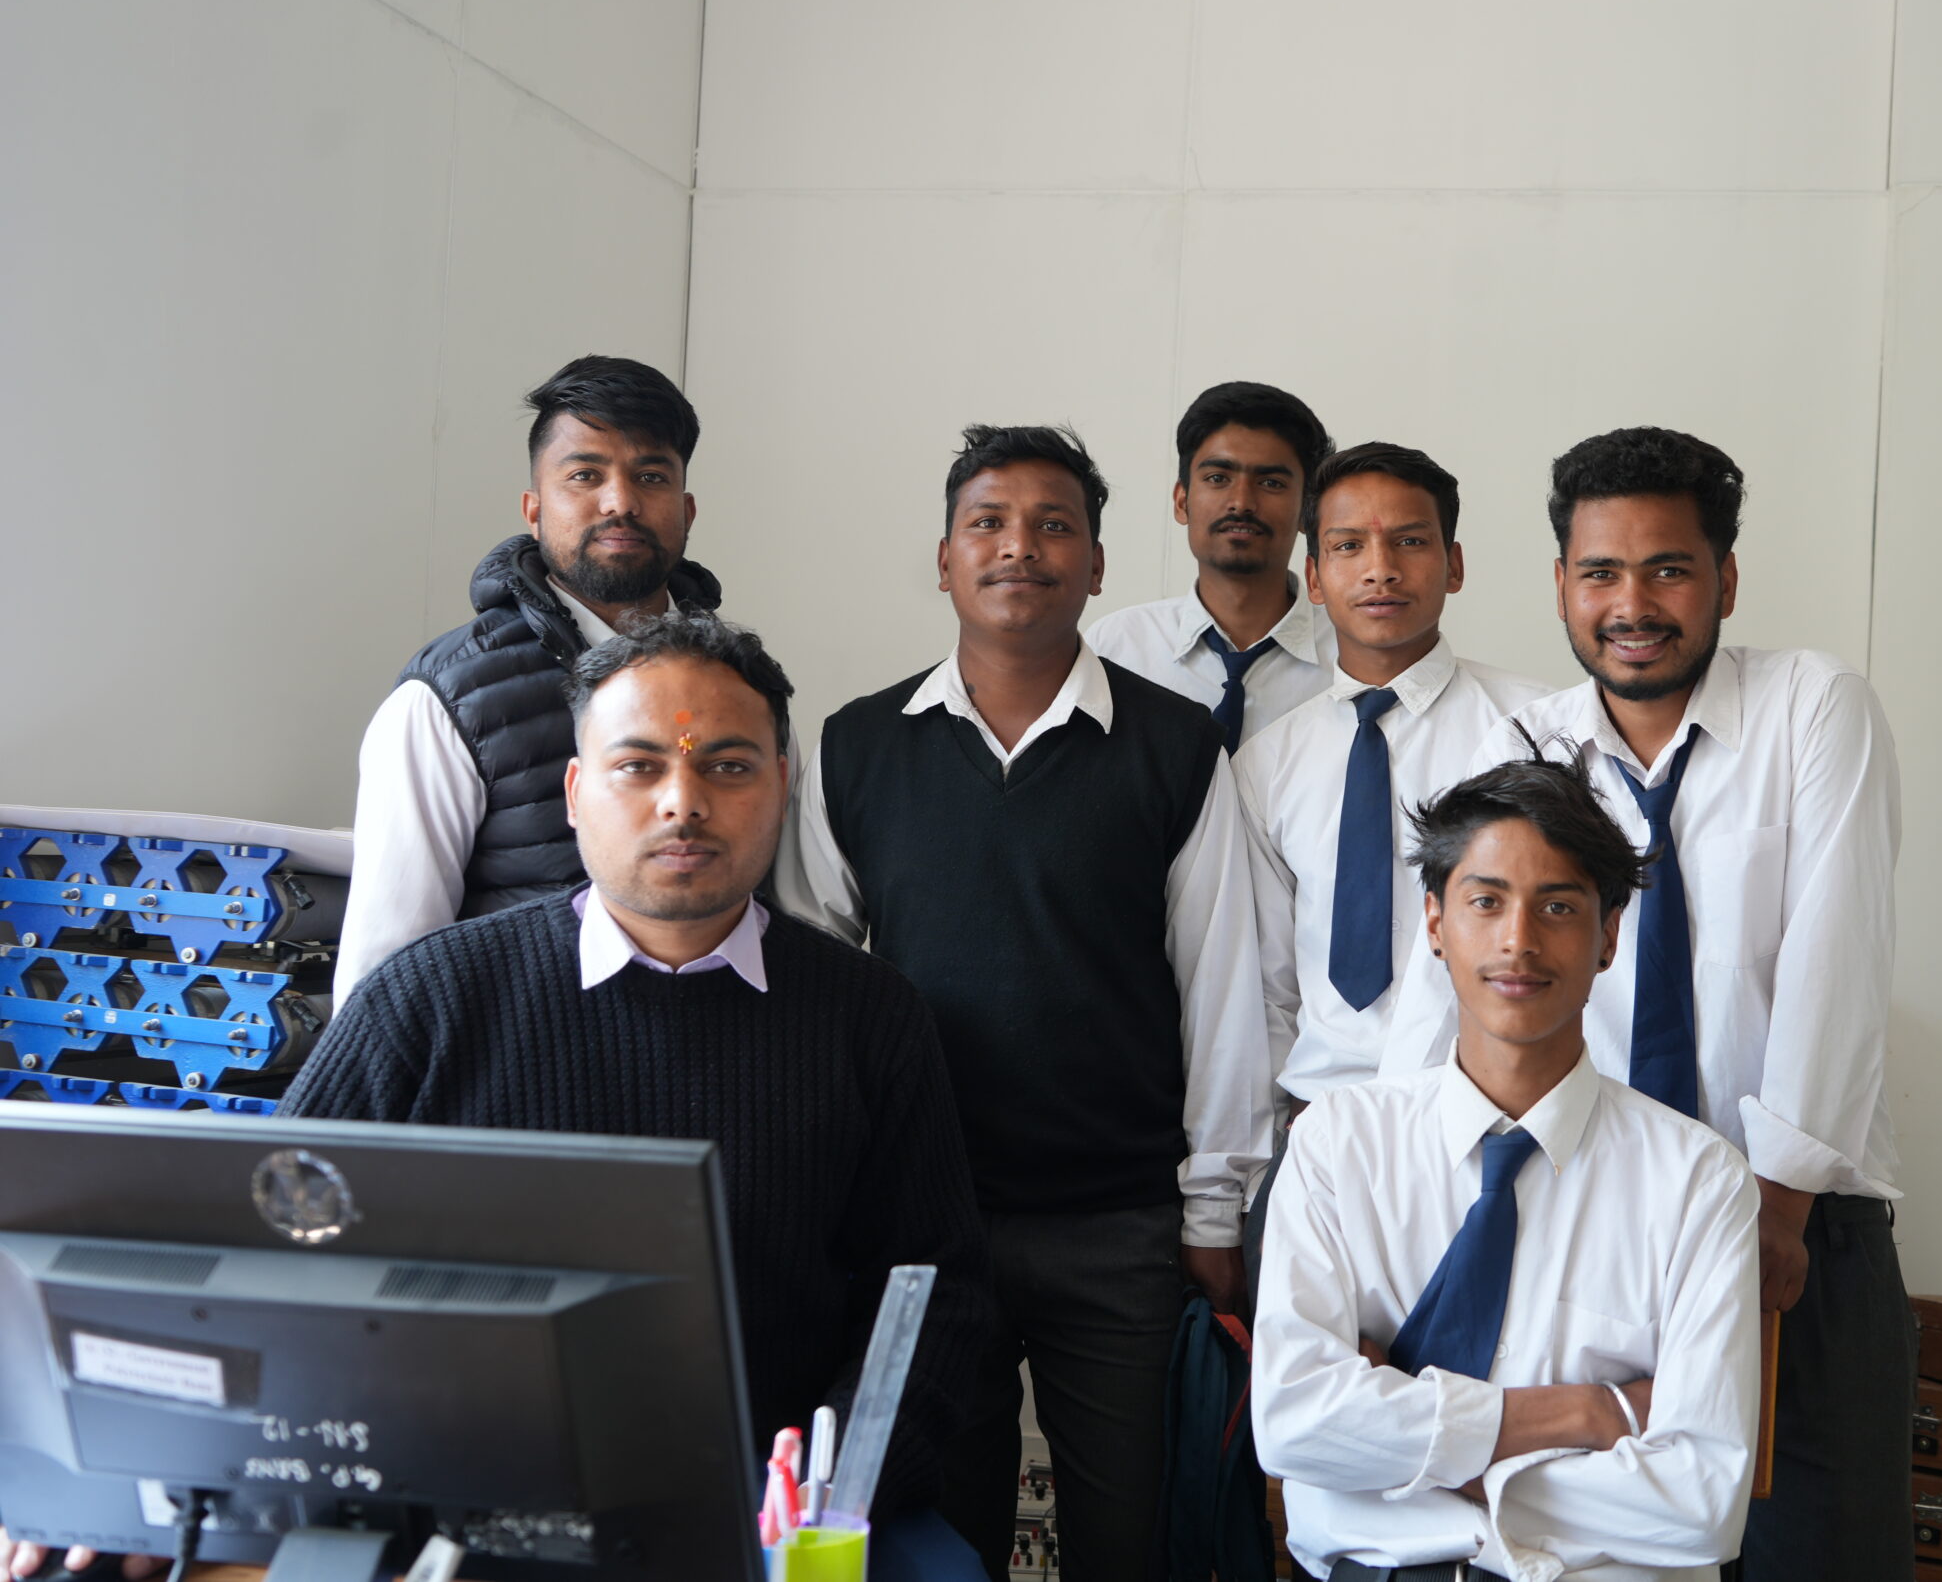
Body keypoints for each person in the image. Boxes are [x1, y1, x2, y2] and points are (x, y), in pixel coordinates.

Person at [282, 613, 991, 1521]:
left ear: (782, 787)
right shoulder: (428, 998)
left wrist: (831, 1486)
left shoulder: (870, 1017)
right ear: (576, 791)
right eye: (639, 765)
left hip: (774, 1502)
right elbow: (267, 1247)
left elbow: (933, 1292)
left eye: (727, 767)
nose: (682, 803)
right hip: (466, 1491)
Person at [1380, 427, 1911, 1581]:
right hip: (1594, 1227)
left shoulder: (1811, 707)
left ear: (1725, 578)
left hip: (1799, 1225)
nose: (1632, 605)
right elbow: (1449, 988)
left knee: (1815, 1551)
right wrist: (1393, 1200)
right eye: (1600, 574)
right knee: (1605, 1554)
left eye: (1668, 570)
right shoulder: (1526, 746)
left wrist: (1774, 1206)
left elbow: (1837, 963)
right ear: (1560, 586)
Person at [773, 426, 1272, 1582]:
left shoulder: (1173, 746)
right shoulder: (858, 747)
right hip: (923, 1227)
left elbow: (1222, 987)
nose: (1019, 548)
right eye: (988, 524)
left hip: (1121, 1227)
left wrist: (1212, 1214)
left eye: (1054, 526)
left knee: (1129, 1545)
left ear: (1096, 565)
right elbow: (813, 984)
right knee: (944, 1540)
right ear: (944, 557)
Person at [1255, 756, 1761, 1580]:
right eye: (1486, 901)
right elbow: (1292, 1422)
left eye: (1557, 906)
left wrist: (1408, 1444)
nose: (1518, 940)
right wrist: (1587, 1413)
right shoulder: (1336, 1147)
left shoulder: (1700, 1182)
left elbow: (1702, 1501)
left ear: (1608, 937)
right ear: (1434, 921)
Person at [334, 355, 723, 1002]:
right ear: (534, 509)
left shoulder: (743, 691)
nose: (620, 501)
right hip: (517, 1059)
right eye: (585, 475)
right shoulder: (446, 703)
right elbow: (385, 978)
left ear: (686, 509)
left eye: (650, 476)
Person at [1236, 442, 1548, 1106]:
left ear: (1453, 565)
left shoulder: (1536, 731)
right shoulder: (1266, 763)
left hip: (1491, 1106)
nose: (1380, 570)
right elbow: (1268, 987)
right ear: (1314, 577)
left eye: (1409, 541)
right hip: (1322, 1117)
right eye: (1348, 546)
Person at [1087, 381, 1337, 751]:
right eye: (1218, 478)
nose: (1241, 502)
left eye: (1271, 482)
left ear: (1307, 510)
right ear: (1182, 501)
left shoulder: (1351, 655)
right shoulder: (1116, 647)